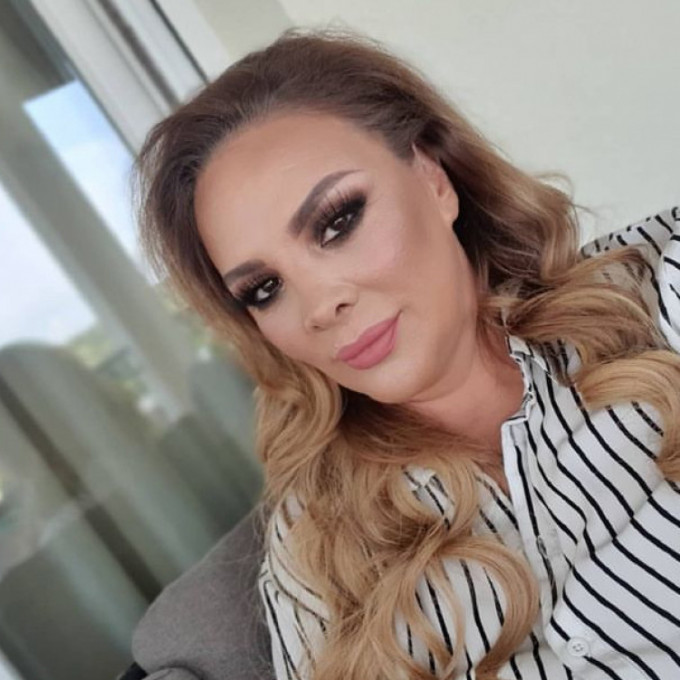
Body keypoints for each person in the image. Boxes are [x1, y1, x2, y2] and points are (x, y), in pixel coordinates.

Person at [133, 28, 680, 680]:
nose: (319, 305)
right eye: (265, 289)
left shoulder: (656, 295)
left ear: (433, 178)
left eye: (338, 221)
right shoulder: (316, 549)